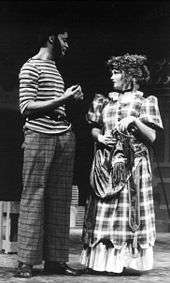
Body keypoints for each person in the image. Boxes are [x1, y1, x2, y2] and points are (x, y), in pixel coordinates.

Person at [81, 53, 163, 275]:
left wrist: (134, 122)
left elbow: (152, 137)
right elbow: (95, 127)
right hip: (106, 163)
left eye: (117, 72)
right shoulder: (105, 101)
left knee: (127, 212)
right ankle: (102, 262)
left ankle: (128, 261)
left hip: (133, 164)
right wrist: (99, 137)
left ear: (131, 76)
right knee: (103, 212)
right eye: (112, 72)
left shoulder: (145, 102)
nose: (112, 77)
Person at [16, 25, 83, 278]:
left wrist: (69, 99)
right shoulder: (30, 66)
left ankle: (55, 260)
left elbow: (55, 103)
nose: (68, 45)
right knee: (34, 195)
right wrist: (63, 99)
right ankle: (26, 261)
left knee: (60, 199)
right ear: (52, 38)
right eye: (65, 40)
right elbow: (26, 107)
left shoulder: (54, 68)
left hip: (63, 136)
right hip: (39, 135)